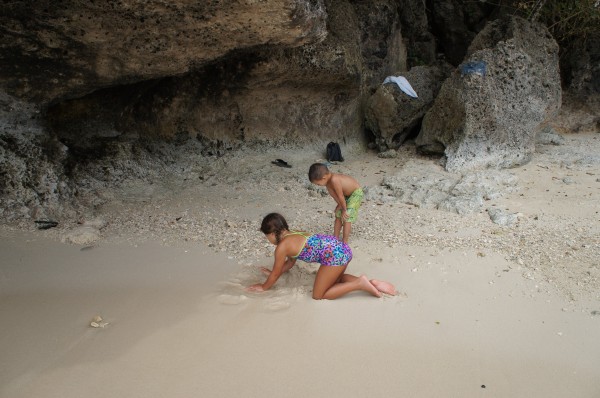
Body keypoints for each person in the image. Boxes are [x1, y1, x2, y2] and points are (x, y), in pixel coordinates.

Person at [246, 213, 396, 300]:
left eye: (267, 237)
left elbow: (277, 272)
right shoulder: (295, 233)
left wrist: (263, 287)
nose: (269, 240)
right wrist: (272, 273)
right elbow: (290, 263)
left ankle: (359, 284)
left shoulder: (281, 247)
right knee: (335, 281)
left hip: (335, 258)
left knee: (319, 295)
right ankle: (372, 283)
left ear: (272, 234)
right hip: (342, 249)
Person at [308, 163, 363, 243]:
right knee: (338, 215)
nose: (318, 185)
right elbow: (335, 196)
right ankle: (335, 238)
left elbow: (340, 196)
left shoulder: (334, 179)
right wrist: (339, 205)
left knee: (347, 216)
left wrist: (344, 209)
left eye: (318, 184)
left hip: (355, 193)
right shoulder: (327, 184)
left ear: (323, 178)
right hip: (346, 196)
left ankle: (345, 241)